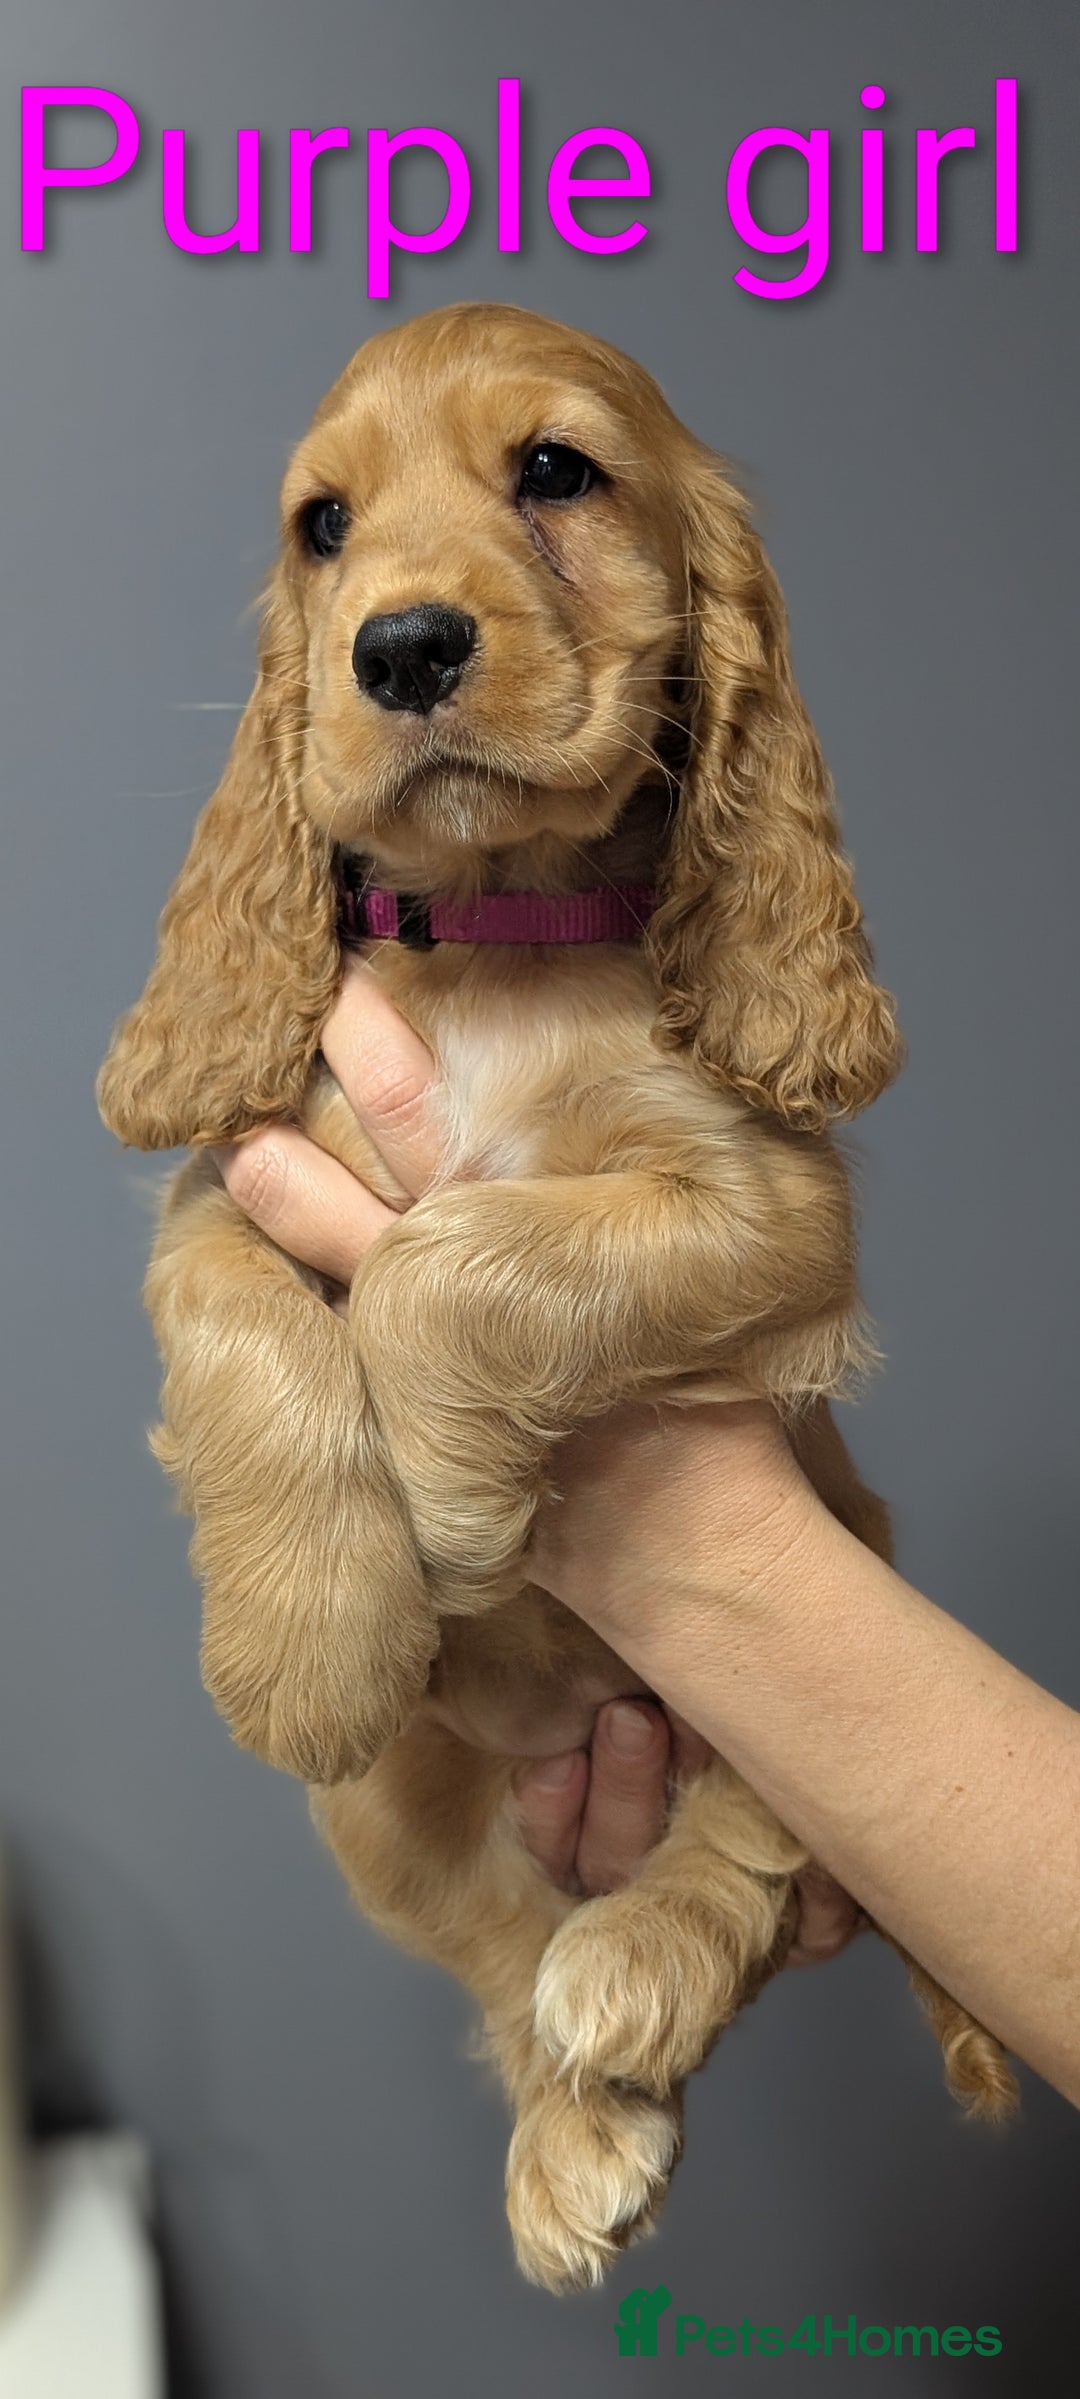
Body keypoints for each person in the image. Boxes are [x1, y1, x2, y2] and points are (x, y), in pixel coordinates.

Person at [216, 957, 1080, 2106]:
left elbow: (786, 1230)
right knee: (391, 1812)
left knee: (716, 1852)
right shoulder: (335, 1007)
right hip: (468, 1701)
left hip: (737, 1673)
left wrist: (456, 1324)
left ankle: (702, 1908)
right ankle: (557, 2060)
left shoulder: (652, 1000)